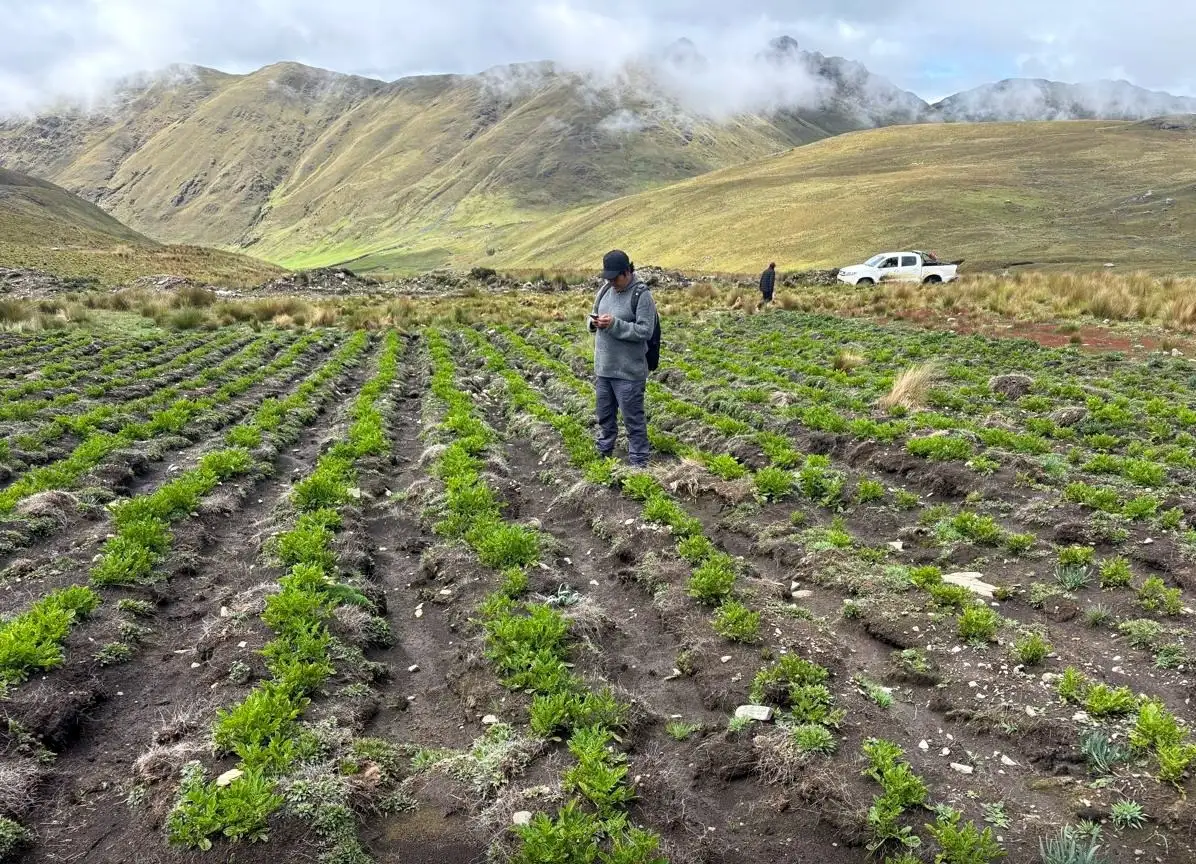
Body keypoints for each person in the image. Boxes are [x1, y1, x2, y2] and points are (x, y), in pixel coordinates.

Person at [588, 249, 657, 468]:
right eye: (607, 277)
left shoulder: (641, 295)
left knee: (633, 420)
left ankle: (639, 462)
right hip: (604, 369)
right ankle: (604, 453)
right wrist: (593, 323)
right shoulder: (605, 290)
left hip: (628, 372)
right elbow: (592, 314)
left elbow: (645, 330)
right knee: (604, 417)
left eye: (615, 277)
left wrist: (614, 324)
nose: (611, 282)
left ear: (627, 272)